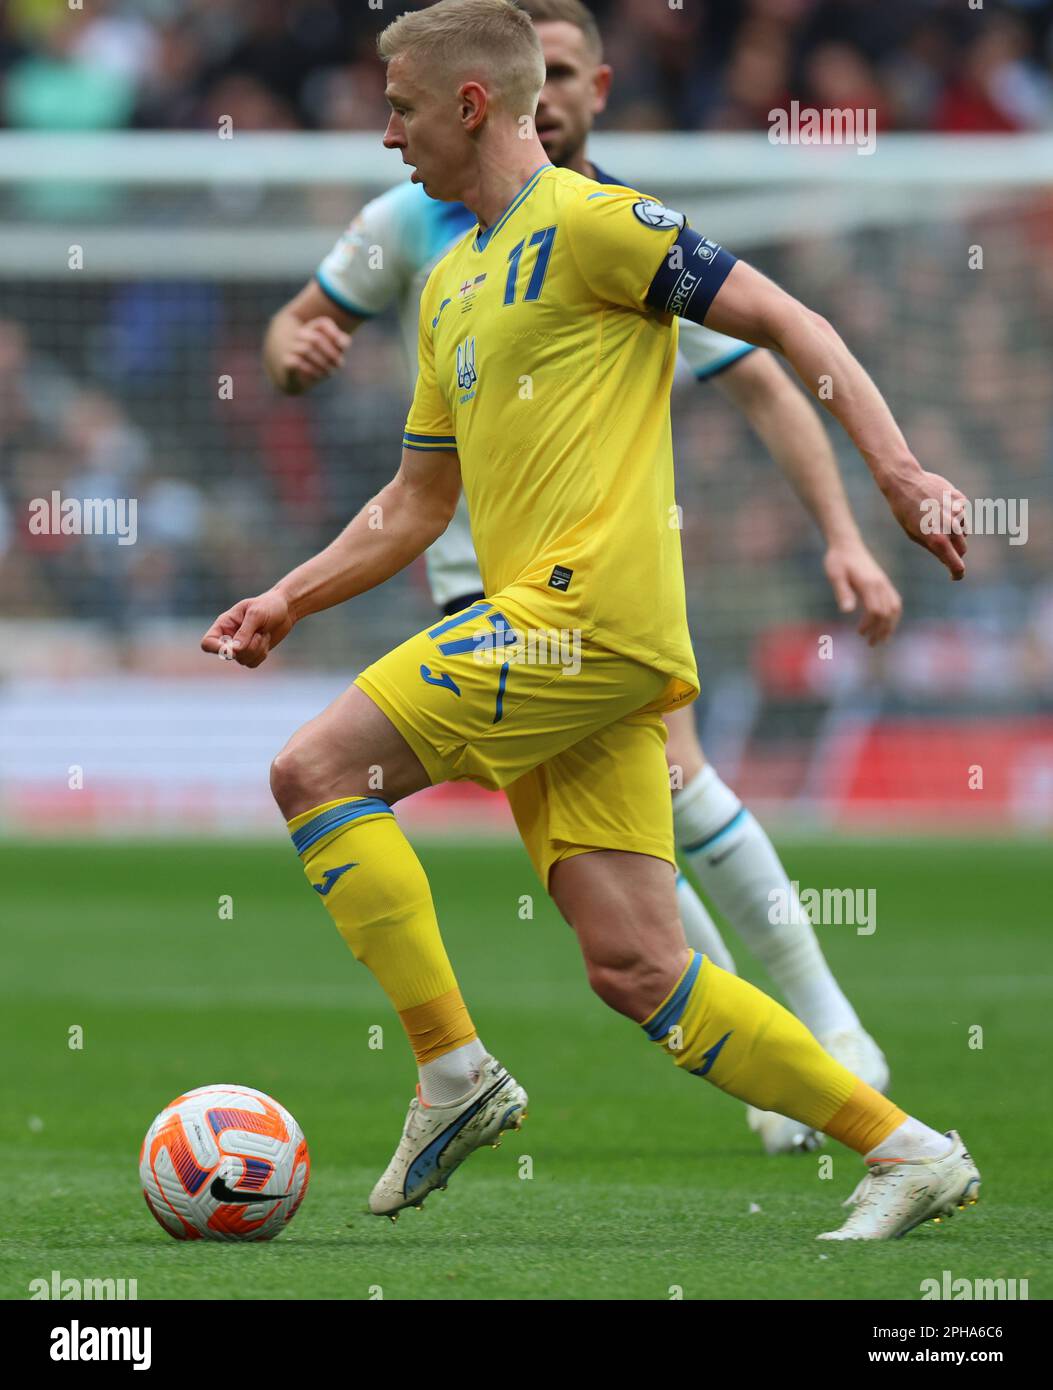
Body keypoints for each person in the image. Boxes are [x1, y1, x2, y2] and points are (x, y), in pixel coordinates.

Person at [206, 0, 978, 1240]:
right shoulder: (452, 277)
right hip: (571, 648)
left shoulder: (595, 223)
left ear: (468, 105)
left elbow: (788, 323)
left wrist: (896, 474)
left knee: (314, 768)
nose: (387, 137)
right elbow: (415, 502)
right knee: (637, 968)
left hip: (584, 621)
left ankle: (453, 1071)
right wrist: (289, 597)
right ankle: (910, 1150)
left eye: (400, 109)